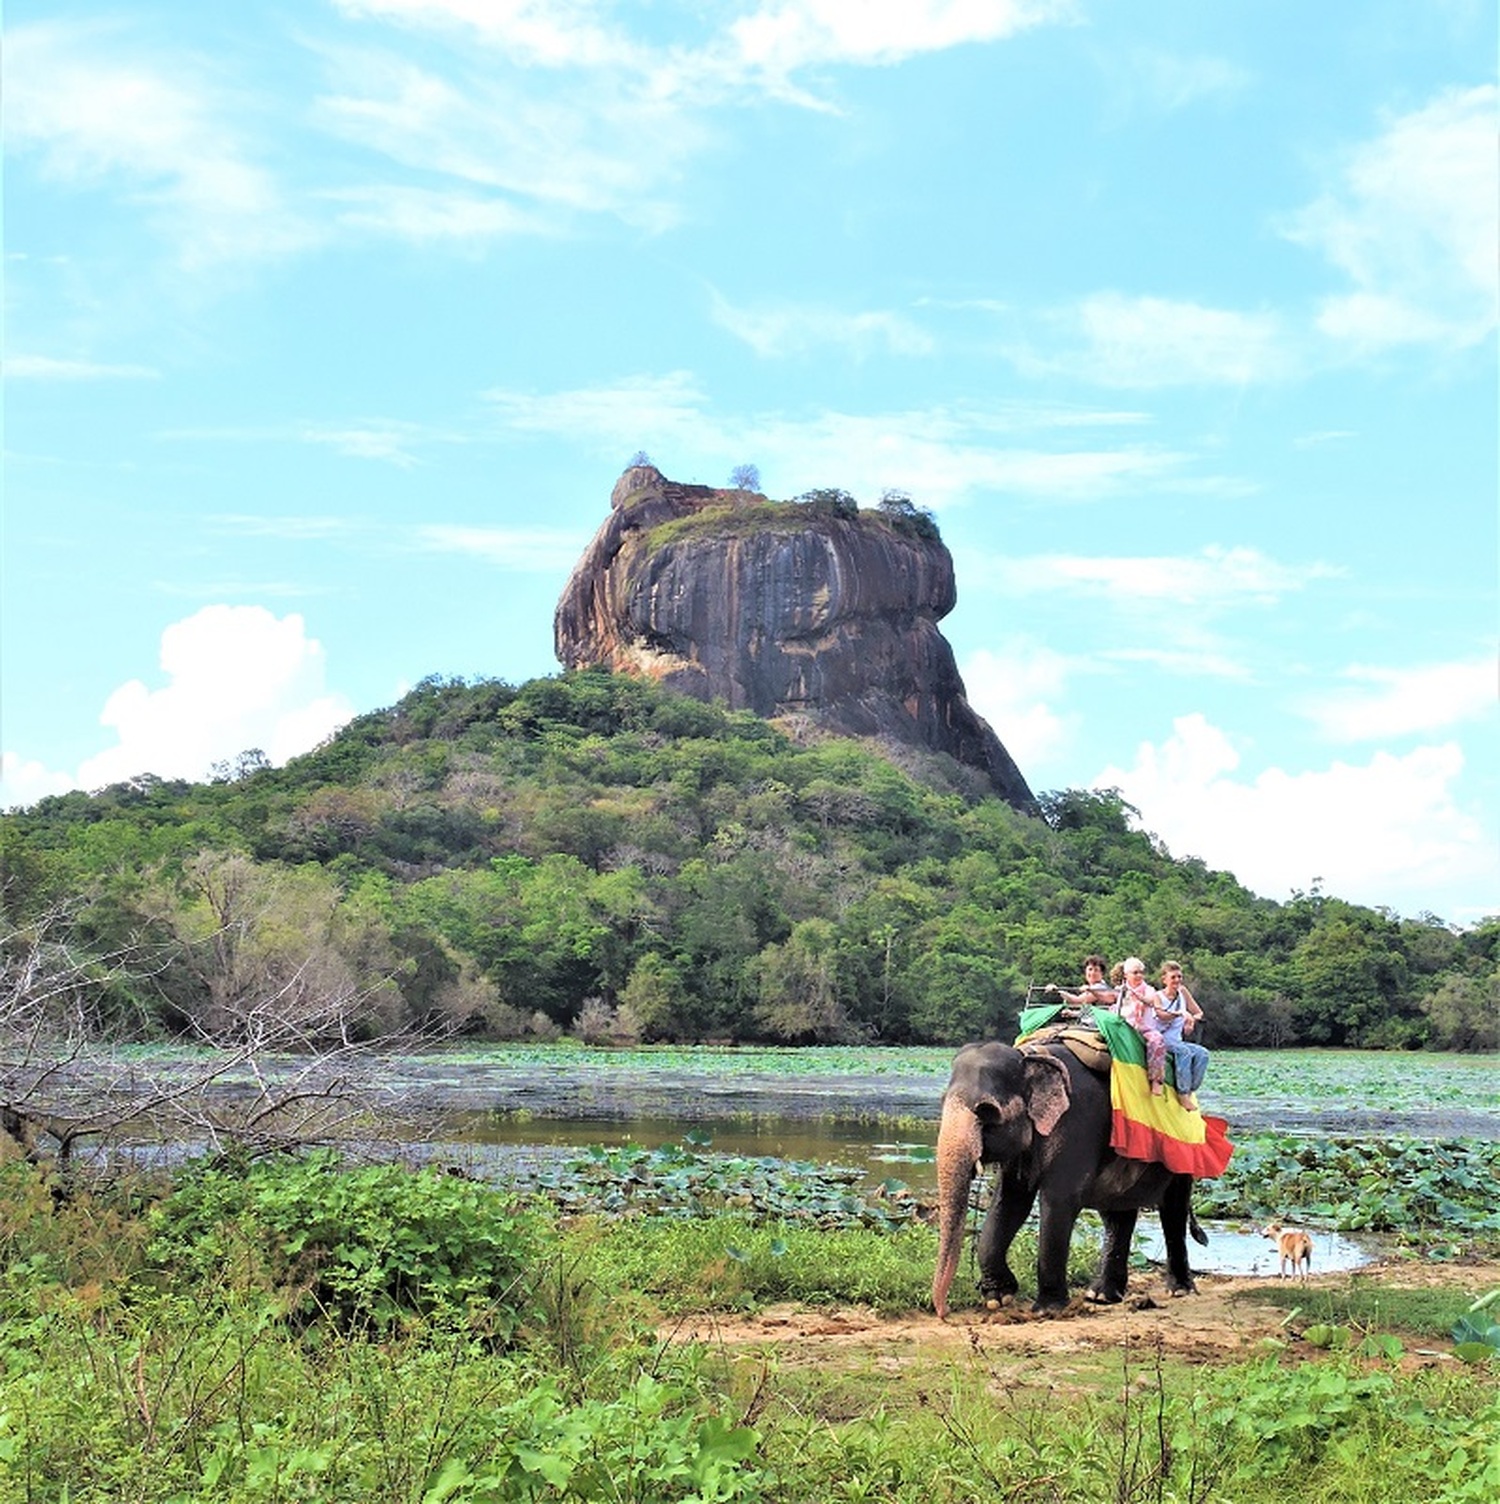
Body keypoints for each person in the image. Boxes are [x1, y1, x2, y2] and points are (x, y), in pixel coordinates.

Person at [1155, 960, 1209, 1112]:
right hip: (1163, 1039)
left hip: (1177, 1040)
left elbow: (1198, 1012)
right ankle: (1182, 1093)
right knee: (1184, 1052)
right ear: (1164, 979)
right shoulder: (1158, 996)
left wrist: (1191, 1020)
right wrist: (1179, 1014)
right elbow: (1161, 1015)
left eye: (1179, 977)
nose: (1177, 980)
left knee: (1202, 1054)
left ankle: (1191, 1089)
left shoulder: (1183, 992)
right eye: (1173, 977)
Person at [1117, 956, 1168, 1096]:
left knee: (1157, 1040)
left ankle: (1156, 1080)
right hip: (1124, 1025)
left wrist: (1137, 996)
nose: (1139, 975)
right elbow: (1105, 997)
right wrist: (1091, 990)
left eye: (1140, 972)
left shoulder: (1149, 989)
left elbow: (1151, 1001)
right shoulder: (1120, 990)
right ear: (1126, 975)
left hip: (1143, 1028)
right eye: (1135, 973)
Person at [1047, 955, 1117, 1013]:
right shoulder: (1093, 987)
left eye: (1096, 970)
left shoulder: (1099, 988)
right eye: (1090, 969)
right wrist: (1073, 1013)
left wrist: (1057, 991)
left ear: (1102, 974)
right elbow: (1088, 1010)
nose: (1092, 973)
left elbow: (1077, 1001)